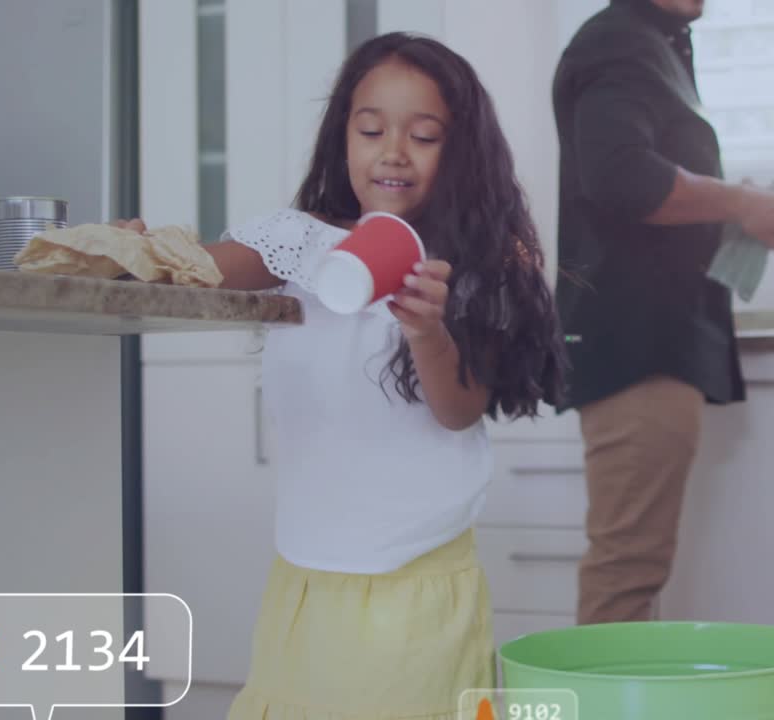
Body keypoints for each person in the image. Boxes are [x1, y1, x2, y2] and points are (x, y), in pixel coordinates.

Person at [118, 32, 566, 719]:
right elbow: (203, 269)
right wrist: (141, 252)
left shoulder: (477, 268)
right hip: (305, 577)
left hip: (414, 584)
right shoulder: (299, 241)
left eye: (423, 135)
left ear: (462, 151)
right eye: (370, 129)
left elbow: (459, 410)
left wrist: (427, 331)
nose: (392, 152)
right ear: (343, 138)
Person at [552, 0, 774, 626]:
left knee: (632, 567)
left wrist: (744, 205)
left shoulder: (649, 44)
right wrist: (742, 202)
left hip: (646, 347)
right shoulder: (620, 41)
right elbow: (622, 178)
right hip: (639, 350)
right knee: (627, 571)